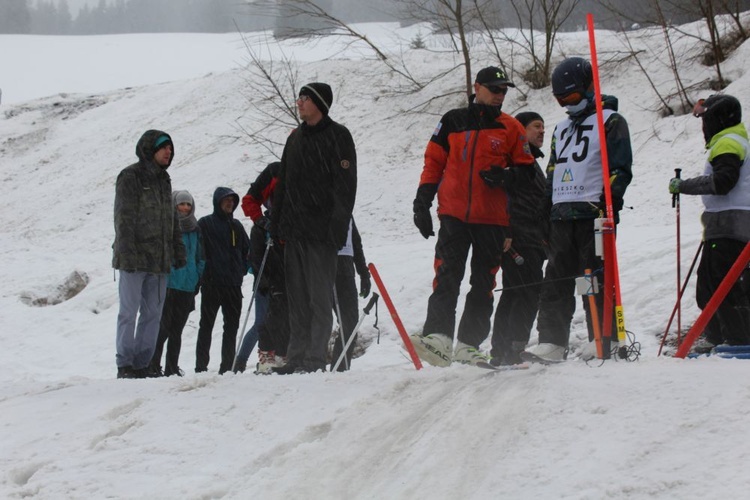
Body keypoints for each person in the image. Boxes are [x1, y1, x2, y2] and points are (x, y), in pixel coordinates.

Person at [409, 66, 536, 367]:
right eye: (494, 89)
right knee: (447, 275)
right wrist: (421, 203)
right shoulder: (452, 121)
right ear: (477, 88)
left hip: (492, 220)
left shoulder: (512, 128)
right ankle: (438, 337)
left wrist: (506, 176)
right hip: (453, 215)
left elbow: (529, 173)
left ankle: (468, 344)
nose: (499, 95)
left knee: (483, 283)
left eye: (504, 90)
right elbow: (433, 162)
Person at [523, 57, 633, 363]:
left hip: (592, 213)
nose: (567, 105)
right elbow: (554, 170)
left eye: (571, 97)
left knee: (592, 278)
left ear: (588, 88)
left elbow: (620, 169)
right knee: (555, 278)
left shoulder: (610, 121)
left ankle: (603, 336)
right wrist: (544, 209)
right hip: (562, 214)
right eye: (561, 100)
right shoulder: (561, 128)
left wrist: (611, 202)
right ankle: (552, 341)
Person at [270, 82, 357, 374]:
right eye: (299, 98)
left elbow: (345, 187)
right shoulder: (294, 139)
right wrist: (277, 221)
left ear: (318, 103)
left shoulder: (338, 136)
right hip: (294, 231)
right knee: (297, 298)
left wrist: (337, 228)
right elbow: (283, 183)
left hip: (322, 233)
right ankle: (296, 356)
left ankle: (315, 358)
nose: (299, 103)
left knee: (319, 299)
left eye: (304, 98)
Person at [668, 94, 750, 348]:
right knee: (712, 288)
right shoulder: (733, 140)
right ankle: (720, 338)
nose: (704, 126)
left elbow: (722, 182)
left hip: (730, 228)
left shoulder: (727, 143)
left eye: (706, 119)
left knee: (718, 287)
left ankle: (735, 341)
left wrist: (684, 185)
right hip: (724, 227)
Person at [112, 130, 186, 379]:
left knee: (153, 313)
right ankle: (125, 364)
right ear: (149, 149)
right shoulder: (130, 176)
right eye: (164, 147)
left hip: (159, 260)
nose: (169, 152)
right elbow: (124, 217)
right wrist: (127, 252)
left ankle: (143, 363)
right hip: (134, 258)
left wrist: (177, 249)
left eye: (171, 148)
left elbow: (171, 218)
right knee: (129, 311)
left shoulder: (165, 180)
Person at [489, 111, 549, 366]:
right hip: (519, 237)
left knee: (515, 292)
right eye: (536, 126)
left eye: (544, 127)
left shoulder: (532, 164)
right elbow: (506, 198)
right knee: (526, 292)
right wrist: (508, 232)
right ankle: (512, 349)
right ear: (520, 131)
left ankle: (502, 350)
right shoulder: (516, 163)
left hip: (532, 237)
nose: (542, 131)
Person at [236, 161, 290, 375]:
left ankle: (281, 355)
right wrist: (264, 279)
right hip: (265, 282)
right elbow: (257, 256)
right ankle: (244, 359)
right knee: (263, 322)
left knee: (281, 319)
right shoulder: (261, 229)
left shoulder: (284, 227)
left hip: (281, 278)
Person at [195, 187, 251, 374]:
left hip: (233, 285)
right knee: (207, 325)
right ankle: (201, 366)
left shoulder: (237, 226)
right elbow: (199, 251)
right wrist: (206, 273)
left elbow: (246, 251)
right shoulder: (205, 223)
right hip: (212, 283)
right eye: (226, 200)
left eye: (232, 200)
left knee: (231, 327)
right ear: (217, 201)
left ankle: (227, 367)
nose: (230, 203)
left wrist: (241, 269)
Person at [149, 190, 205, 377]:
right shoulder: (167, 225)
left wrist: (197, 276)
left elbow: (200, 256)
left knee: (177, 330)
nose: (185, 208)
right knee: (163, 328)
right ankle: (154, 365)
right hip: (169, 284)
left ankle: (172, 367)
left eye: (188, 204)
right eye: (181, 204)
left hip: (188, 286)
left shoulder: (196, 229)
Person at [331, 218, 371, 372]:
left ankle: (340, 368)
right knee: (321, 323)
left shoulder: (347, 212)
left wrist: (364, 274)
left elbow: (355, 242)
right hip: (322, 270)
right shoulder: (320, 201)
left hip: (346, 273)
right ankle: (314, 369)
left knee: (350, 324)